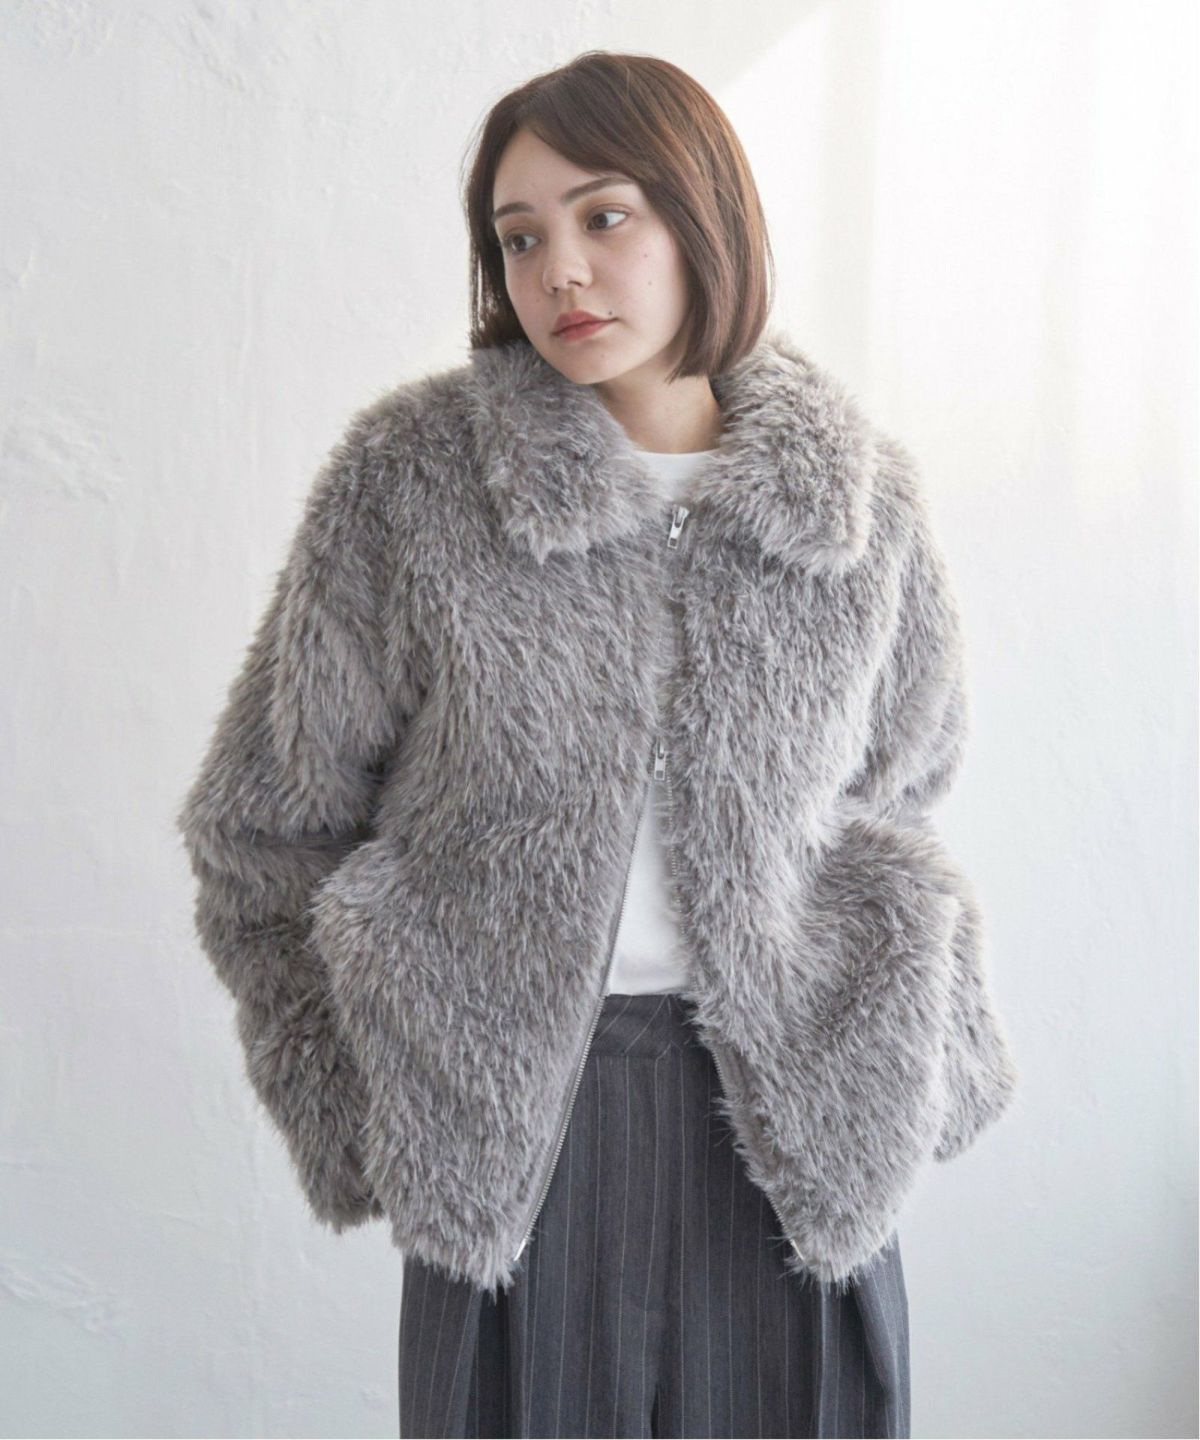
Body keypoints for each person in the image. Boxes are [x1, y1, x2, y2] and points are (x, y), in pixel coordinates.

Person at [175, 50, 1018, 1440]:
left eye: (604, 216)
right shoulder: (412, 485)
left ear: (706, 220)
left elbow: (899, 801)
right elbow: (261, 827)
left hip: (797, 1135)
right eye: (520, 238)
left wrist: (916, 1069)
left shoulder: (859, 512)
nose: (559, 268)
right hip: (518, 1130)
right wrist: (361, 1103)